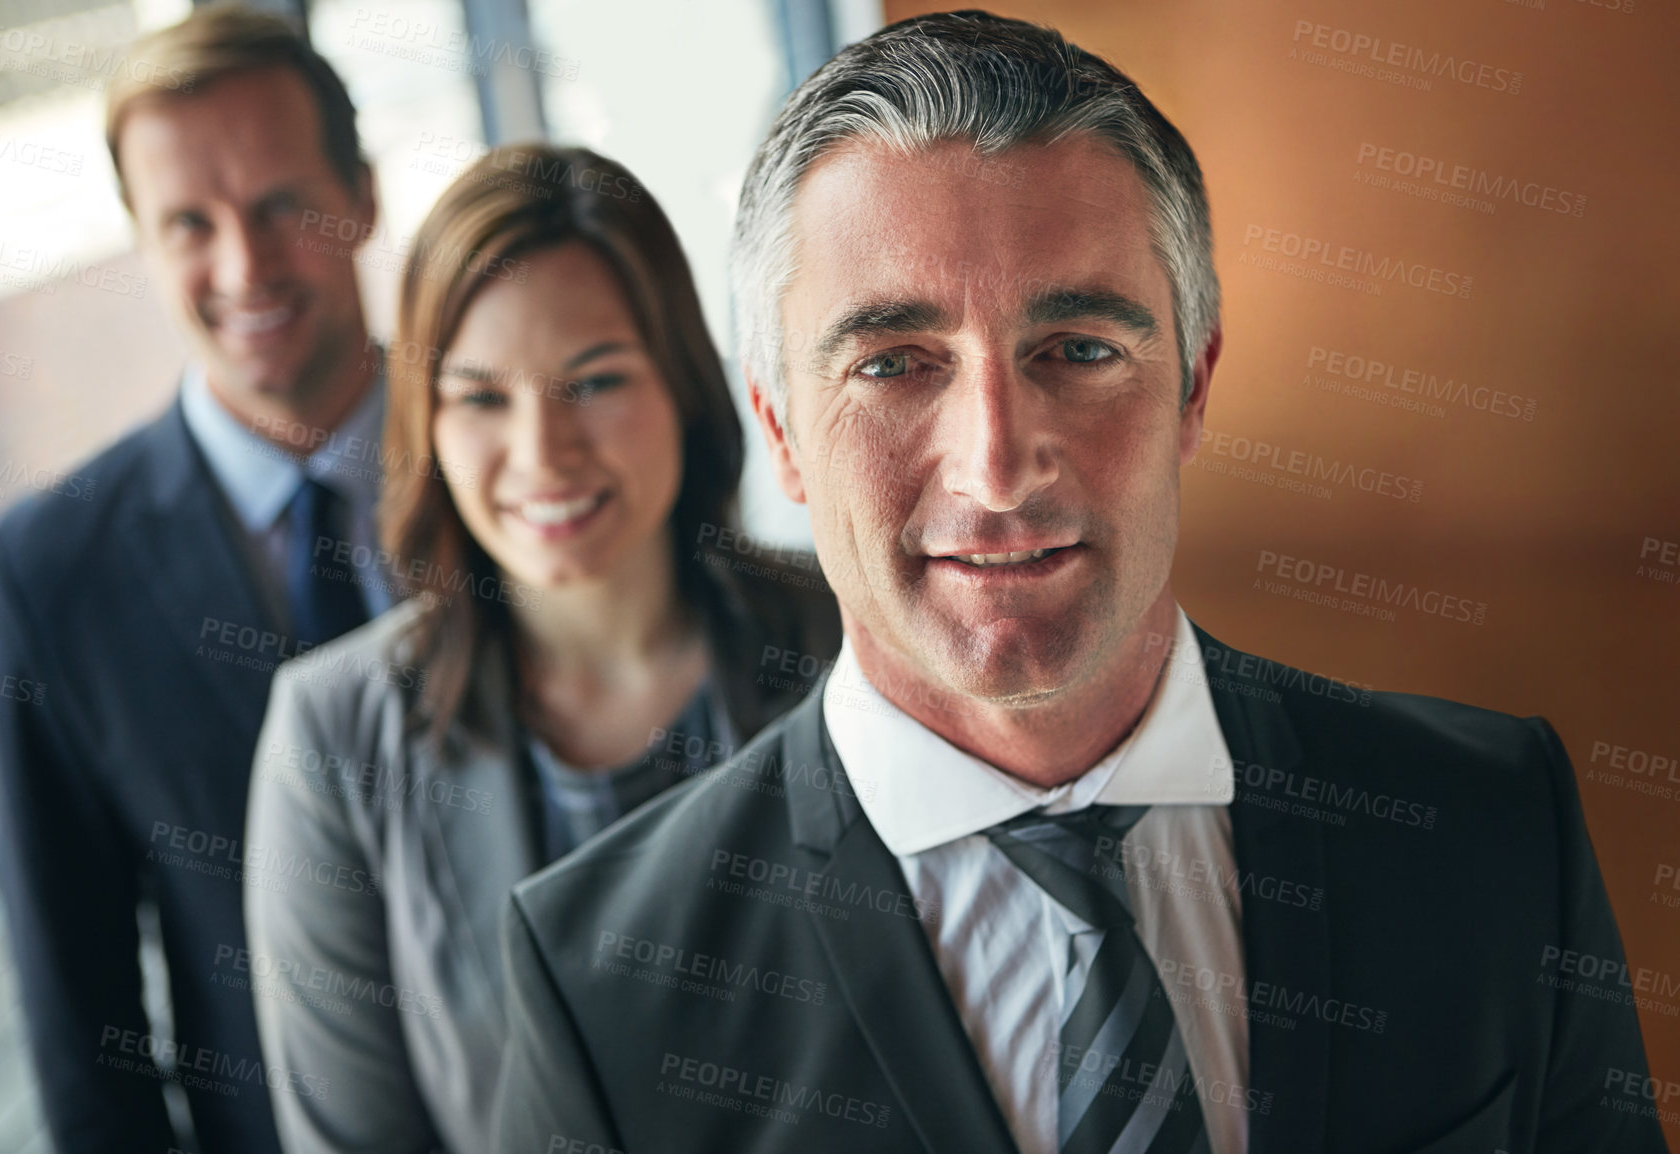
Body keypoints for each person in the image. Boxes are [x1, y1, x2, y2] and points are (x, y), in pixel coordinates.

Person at [490, 12, 1666, 1154]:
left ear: (1194, 389)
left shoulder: (1494, 828)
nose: (996, 466)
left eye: (1081, 350)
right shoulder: (601, 988)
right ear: (782, 429)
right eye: (893, 363)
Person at [243, 143, 840, 1154]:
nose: (542, 452)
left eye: (595, 379)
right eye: (480, 396)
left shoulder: (852, 644)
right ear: (426, 421)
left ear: (686, 386)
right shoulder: (333, 735)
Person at [0, 8, 390, 1152]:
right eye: (188, 224)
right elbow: (83, 1024)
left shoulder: (526, 462)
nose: (243, 266)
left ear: (360, 193)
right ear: (141, 243)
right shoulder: (52, 573)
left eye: (277, 207)